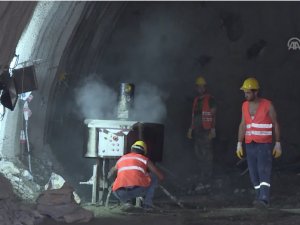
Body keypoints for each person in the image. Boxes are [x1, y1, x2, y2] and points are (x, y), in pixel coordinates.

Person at [236, 77, 282, 208]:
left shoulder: (268, 105)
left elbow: (275, 124)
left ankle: (264, 198)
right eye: (244, 92)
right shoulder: (244, 105)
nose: (245, 95)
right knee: (253, 172)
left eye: (248, 92)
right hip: (250, 144)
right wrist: (239, 143)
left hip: (264, 145)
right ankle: (258, 196)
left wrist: (278, 143)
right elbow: (243, 124)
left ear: (256, 92)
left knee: (263, 170)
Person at [108, 140, 164, 209]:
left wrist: (115, 181)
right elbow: (159, 175)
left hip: (120, 192)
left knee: (113, 186)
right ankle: (147, 204)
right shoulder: (144, 159)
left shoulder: (121, 159)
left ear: (132, 149)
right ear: (144, 152)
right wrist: (161, 179)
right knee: (153, 177)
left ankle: (127, 203)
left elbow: (110, 174)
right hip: (138, 190)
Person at [187, 76, 217, 182]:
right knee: (198, 153)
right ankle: (202, 174)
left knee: (207, 154)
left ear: (205, 87)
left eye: (202, 87)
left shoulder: (210, 99)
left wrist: (213, 129)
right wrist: (191, 129)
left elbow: (213, 115)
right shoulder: (196, 100)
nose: (200, 89)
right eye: (198, 87)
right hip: (198, 131)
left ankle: (208, 175)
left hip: (206, 130)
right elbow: (194, 116)